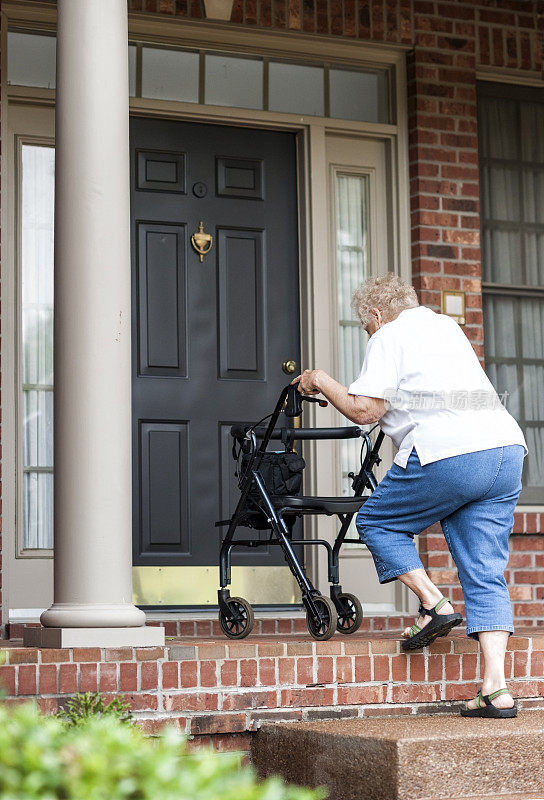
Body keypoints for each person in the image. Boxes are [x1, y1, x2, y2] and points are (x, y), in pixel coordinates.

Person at [293, 273, 527, 719]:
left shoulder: (389, 334)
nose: (368, 333)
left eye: (366, 327)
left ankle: (433, 602)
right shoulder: (445, 326)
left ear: (376, 316)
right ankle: (496, 691)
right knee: (484, 569)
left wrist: (320, 379)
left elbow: (365, 410)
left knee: (378, 521)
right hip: (506, 450)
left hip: (452, 452)